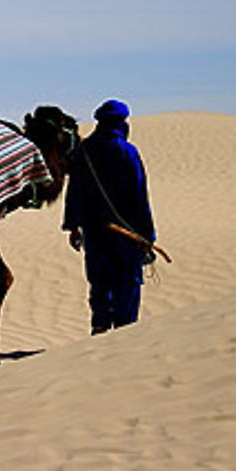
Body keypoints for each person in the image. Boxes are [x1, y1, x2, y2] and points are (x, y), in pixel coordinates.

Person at [63, 99, 156, 335]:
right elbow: (139, 196)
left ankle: (100, 327)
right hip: (125, 234)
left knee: (100, 283)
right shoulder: (127, 152)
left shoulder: (83, 151)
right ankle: (124, 335)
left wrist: (73, 226)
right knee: (127, 285)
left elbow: (73, 190)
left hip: (94, 232)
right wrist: (148, 235)